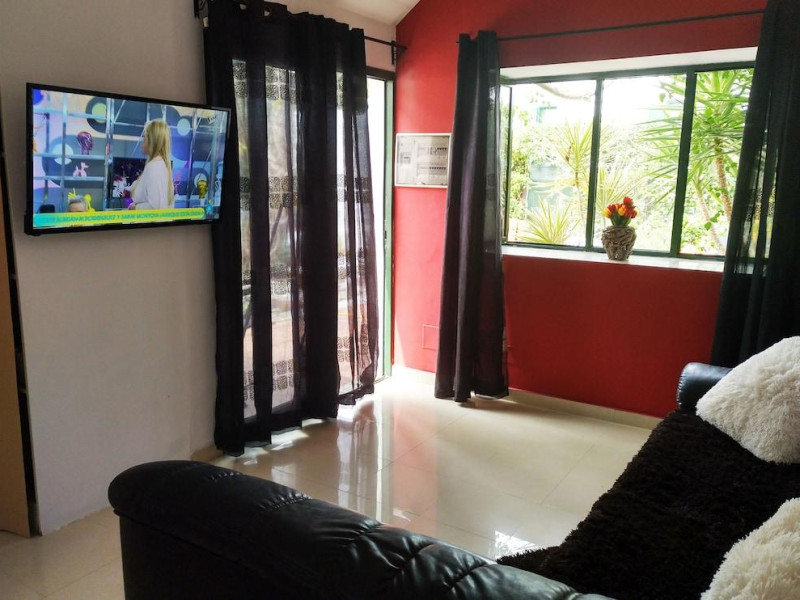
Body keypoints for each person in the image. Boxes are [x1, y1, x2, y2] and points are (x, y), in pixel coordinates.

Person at [128, 120, 174, 210]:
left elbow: (155, 207)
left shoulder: (154, 167)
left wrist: (135, 208)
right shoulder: (159, 165)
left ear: (152, 142)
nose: (142, 142)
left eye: (144, 138)